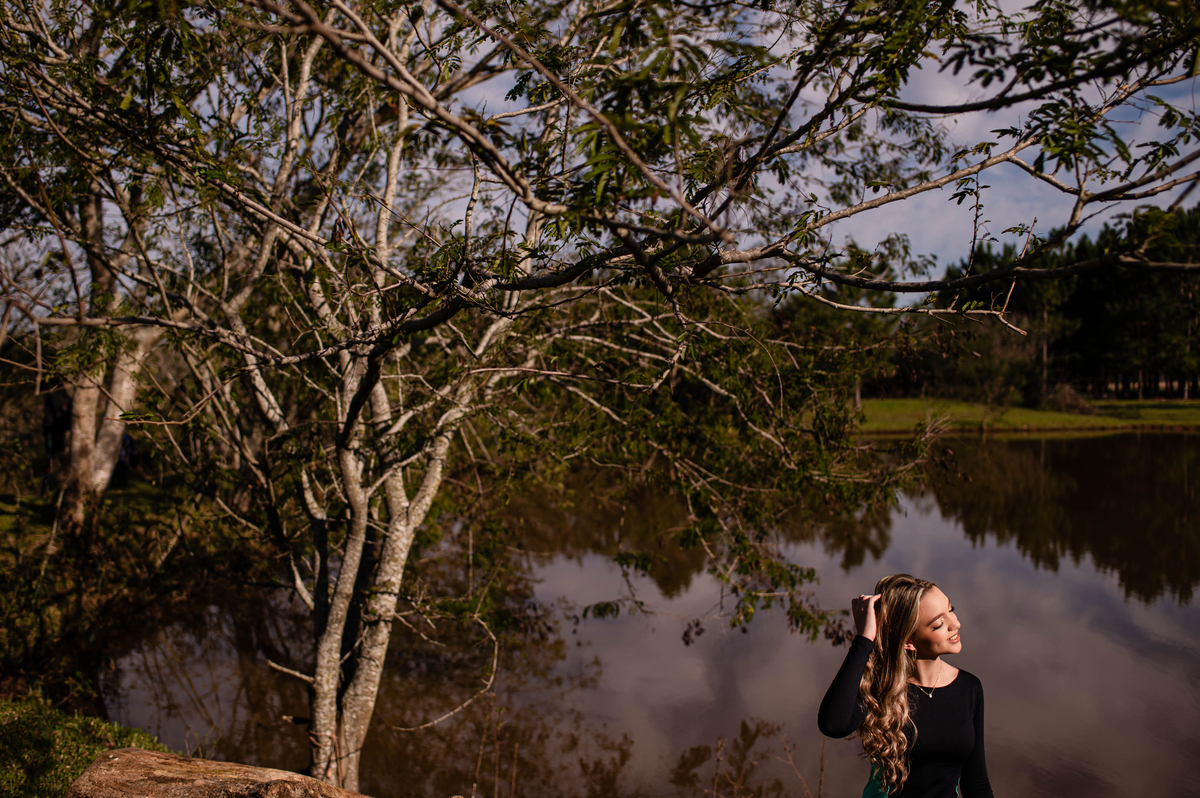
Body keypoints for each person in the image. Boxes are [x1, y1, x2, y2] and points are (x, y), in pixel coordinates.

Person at [817, 574, 993, 798]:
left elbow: (976, 782)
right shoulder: (882, 689)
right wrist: (864, 639)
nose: (956, 624)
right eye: (939, 624)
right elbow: (833, 725)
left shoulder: (969, 688)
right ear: (909, 641)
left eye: (951, 610)